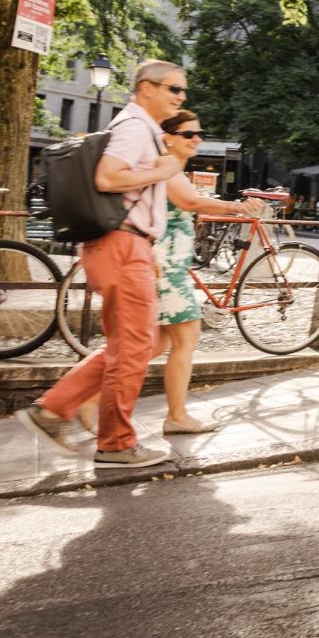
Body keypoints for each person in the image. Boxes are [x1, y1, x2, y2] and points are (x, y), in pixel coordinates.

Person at [14, 60, 188, 469]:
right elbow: (109, 178)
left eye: (182, 92)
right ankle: (116, 444)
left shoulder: (137, 126)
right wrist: (162, 168)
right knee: (134, 348)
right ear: (146, 87)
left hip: (124, 245)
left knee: (131, 344)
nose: (181, 98)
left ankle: (51, 410)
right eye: (174, 89)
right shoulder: (135, 127)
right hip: (122, 245)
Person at [73, 112, 266, 439]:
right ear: (168, 137)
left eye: (199, 133)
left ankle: (89, 399)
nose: (196, 139)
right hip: (163, 266)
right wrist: (238, 208)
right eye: (188, 133)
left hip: (167, 264)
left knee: (154, 343)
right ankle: (176, 416)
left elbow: (184, 206)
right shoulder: (164, 164)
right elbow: (188, 201)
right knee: (186, 337)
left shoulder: (169, 166)